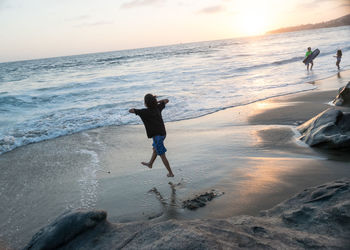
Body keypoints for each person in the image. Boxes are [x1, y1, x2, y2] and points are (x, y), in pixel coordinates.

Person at [129, 94, 174, 177]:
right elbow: (166, 100)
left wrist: (138, 110)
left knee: (162, 155)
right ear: (154, 101)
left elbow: (130, 110)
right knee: (155, 149)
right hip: (163, 134)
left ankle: (170, 173)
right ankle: (150, 164)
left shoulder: (144, 112)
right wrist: (157, 102)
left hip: (157, 136)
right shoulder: (158, 108)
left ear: (146, 103)